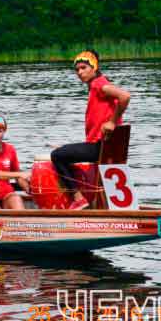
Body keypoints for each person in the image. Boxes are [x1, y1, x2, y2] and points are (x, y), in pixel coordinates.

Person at [50, 50, 130, 210]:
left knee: (57, 156)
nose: (80, 72)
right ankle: (99, 204)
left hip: (98, 147)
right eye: (77, 69)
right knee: (63, 150)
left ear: (94, 67)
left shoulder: (98, 84)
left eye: (83, 67)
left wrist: (112, 122)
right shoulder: (97, 84)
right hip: (105, 147)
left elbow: (125, 96)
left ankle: (78, 198)